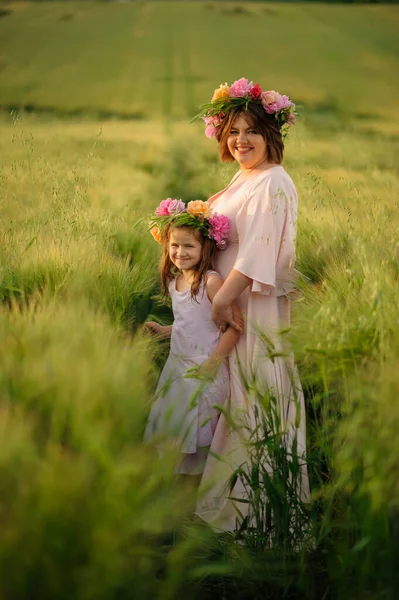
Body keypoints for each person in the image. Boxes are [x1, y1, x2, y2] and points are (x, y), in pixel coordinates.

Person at [194, 78, 310, 531]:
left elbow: (259, 249)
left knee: (254, 397)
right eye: (233, 132)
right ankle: (230, 508)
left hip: (250, 305)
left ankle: (257, 518)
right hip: (234, 305)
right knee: (237, 398)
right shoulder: (249, 175)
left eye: (251, 131)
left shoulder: (273, 181)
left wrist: (221, 300)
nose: (241, 140)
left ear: (270, 136)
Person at [143, 198, 242, 482]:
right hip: (177, 369)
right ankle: (174, 491)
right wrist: (165, 330)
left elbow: (235, 328)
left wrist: (213, 363)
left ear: (204, 248)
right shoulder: (177, 283)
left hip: (202, 370)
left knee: (199, 435)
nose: (180, 252)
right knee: (176, 431)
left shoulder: (211, 282)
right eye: (174, 245)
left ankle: (198, 490)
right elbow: (190, 323)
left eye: (189, 246)